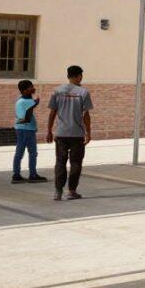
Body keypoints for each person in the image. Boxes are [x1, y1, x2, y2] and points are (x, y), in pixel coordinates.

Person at [46, 65, 92, 201]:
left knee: (60, 162)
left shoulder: (57, 91)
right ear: (79, 76)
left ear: (68, 76)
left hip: (60, 133)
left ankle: (58, 191)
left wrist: (49, 130)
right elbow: (86, 115)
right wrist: (88, 132)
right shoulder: (83, 93)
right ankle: (71, 191)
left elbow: (52, 112)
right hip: (77, 134)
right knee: (76, 163)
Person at [11, 79, 46, 184]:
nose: (33, 88)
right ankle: (20, 175)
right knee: (23, 152)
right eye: (31, 87)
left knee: (31, 153)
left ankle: (30, 174)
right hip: (24, 130)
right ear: (25, 90)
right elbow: (26, 117)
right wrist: (35, 101)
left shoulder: (23, 100)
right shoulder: (24, 102)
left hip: (27, 130)